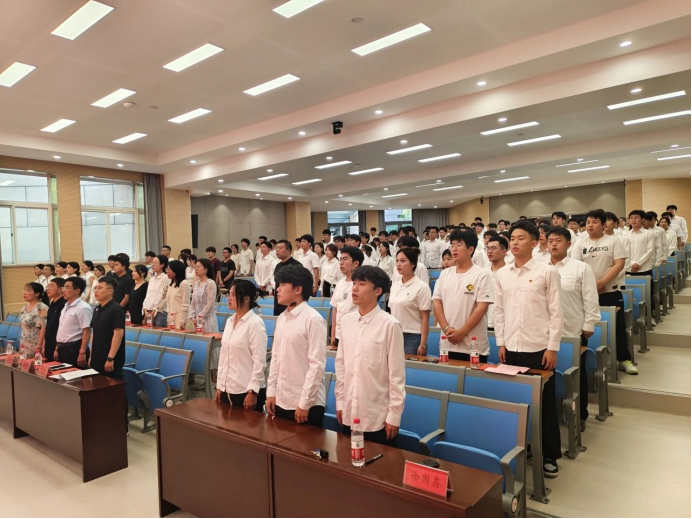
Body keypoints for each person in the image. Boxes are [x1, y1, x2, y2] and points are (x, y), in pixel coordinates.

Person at [494, 220, 563, 478]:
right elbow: (499, 312)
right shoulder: (502, 274)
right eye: (512, 238)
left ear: (534, 243)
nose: (514, 242)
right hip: (510, 348)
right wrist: (501, 342)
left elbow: (556, 312)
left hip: (539, 348)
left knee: (544, 405)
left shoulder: (547, 272)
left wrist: (552, 347)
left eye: (521, 238)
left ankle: (549, 455)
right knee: (516, 404)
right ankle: (523, 449)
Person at [335, 266, 405, 445]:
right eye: (354, 283)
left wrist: (394, 415)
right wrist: (340, 402)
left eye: (362, 284)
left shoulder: (390, 325)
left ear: (377, 291)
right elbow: (341, 366)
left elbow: (396, 375)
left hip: (376, 416)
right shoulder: (346, 321)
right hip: (349, 410)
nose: (355, 288)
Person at [547, 227, 600, 431]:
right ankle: (553, 415)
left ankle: (580, 416)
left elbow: (590, 298)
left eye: (558, 240)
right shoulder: (540, 268)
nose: (553, 244)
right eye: (550, 240)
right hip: (545, 334)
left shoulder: (581, 268)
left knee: (576, 376)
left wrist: (589, 324)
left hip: (572, 331)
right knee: (550, 376)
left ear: (569, 244)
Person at [571, 209, 635, 375]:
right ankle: (586, 362)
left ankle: (624, 360)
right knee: (585, 328)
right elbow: (576, 267)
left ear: (603, 224)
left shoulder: (614, 241)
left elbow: (619, 264)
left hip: (610, 292)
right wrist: (591, 287)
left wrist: (601, 283)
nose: (590, 225)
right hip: (585, 294)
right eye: (588, 222)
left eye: (594, 222)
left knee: (618, 328)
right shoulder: (580, 243)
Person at [267, 265, 327, 426]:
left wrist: (304, 403)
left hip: (306, 404)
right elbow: (275, 357)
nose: (278, 289)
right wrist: (271, 391)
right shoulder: (282, 318)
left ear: (298, 289)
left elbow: (317, 365)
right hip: (281, 398)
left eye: (283, 284)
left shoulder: (313, 320)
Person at [433, 229, 493, 361]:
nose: (454, 249)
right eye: (452, 245)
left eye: (459, 245)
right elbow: (437, 303)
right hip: (447, 343)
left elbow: (482, 308)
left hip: (474, 345)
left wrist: (462, 332)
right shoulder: (444, 274)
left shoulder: (482, 275)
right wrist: (446, 328)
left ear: (470, 249)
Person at [215, 280, 267, 411]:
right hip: (227, 387)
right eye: (229, 294)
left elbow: (259, 361)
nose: (229, 298)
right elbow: (224, 355)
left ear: (246, 299)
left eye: (233, 295)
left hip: (245, 390)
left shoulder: (255, 323)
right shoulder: (229, 321)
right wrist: (220, 385)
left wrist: (253, 391)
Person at [389, 248, 431, 355]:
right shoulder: (395, 286)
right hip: (394, 334)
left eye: (402, 261)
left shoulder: (422, 287)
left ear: (412, 264)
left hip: (412, 336)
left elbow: (425, 318)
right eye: (397, 261)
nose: (398, 264)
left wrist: (423, 344)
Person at [89, 277, 126, 380]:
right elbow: (94, 333)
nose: (96, 291)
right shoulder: (97, 309)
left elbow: (118, 335)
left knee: (112, 387)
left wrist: (110, 358)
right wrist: (91, 356)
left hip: (110, 359)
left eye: (100, 288)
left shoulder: (117, 309)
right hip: (97, 358)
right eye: (95, 288)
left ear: (110, 291)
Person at [55, 277, 93, 368]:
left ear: (77, 290)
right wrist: (57, 348)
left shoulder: (83, 307)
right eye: (63, 287)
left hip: (74, 349)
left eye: (67, 287)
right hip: (61, 348)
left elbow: (87, 331)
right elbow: (61, 329)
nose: (63, 290)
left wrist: (82, 352)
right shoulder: (65, 306)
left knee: (75, 376)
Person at [330, 247, 362, 348]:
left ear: (356, 263)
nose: (341, 263)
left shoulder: (361, 284)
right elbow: (335, 310)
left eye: (345, 259)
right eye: (340, 259)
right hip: (339, 334)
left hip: (356, 334)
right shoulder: (339, 283)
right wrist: (333, 335)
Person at [626, 209, 656, 309]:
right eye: (631, 218)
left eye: (636, 218)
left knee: (647, 293)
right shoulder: (625, 235)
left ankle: (649, 313)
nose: (633, 220)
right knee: (631, 293)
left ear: (642, 219)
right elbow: (624, 252)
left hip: (644, 268)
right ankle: (633, 313)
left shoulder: (649, 234)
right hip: (629, 268)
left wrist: (638, 263)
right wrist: (632, 263)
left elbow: (650, 251)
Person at [37, 277, 66, 361]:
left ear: (61, 289)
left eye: (51, 286)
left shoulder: (64, 305)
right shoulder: (52, 304)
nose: (48, 289)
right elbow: (48, 326)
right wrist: (44, 345)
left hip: (58, 345)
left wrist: (57, 348)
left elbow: (61, 328)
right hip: (49, 342)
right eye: (48, 286)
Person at [271, 240, 302, 316]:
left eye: (280, 248)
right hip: (278, 303)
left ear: (288, 250)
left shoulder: (296, 265)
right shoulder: (278, 266)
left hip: (291, 304)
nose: (277, 250)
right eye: (277, 248)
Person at [485, 235, 508, 330]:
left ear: (504, 252)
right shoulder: (483, 273)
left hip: (505, 324)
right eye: (488, 248)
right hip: (484, 322)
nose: (490, 251)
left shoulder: (510, 272)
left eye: (493, 248)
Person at [189, 258, 219, 334]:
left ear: (206, 269)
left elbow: (210, 304)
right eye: (195, 267)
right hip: (196, 321)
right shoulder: (196, 284)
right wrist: (192, 316)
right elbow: (193, 302)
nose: (196, 269)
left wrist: (200, 316)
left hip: (207, 319)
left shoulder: (210, 283)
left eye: (198, 267)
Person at [19, 282, 48, 357]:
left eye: (28, 291)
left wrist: (39, 346)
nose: (25, 293)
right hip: (23, 343)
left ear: (37, 294)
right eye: (24, 290)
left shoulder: (42, 308)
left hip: (35, 344)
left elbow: (44, 328)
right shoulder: (25, 307)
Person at [165, 260, 192, 331]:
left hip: (180, 316)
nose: (167, 271)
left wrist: (183, 320)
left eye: (169, 269)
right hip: (171, 317)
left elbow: (185, 304)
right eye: (167, 269)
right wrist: (168, 319)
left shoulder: (184, 283)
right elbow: (169, 303)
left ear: (176, 270)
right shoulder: (171, 284)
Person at [143, 255, 169, 327]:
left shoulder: (166, 278)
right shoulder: (152, 279)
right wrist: (145, 309)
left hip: (160, 312)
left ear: (162, 265)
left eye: (155, 263)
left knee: (159, 332)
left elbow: (163, 296)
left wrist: (155, 310)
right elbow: (148, 295)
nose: (152, 265)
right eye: (152, 263)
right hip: (149, 310)